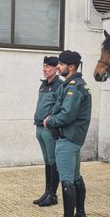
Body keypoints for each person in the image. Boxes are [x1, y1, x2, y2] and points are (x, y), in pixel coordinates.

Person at [43, 50, 91, 217]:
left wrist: (49, 121)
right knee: (75, 177)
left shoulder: (73, 87)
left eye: (61, 64)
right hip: (74, 138)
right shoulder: (75, 84)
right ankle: (80, 216)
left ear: (71, 67)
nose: (58, 67)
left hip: (67, 138)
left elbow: (67, 114)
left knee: (67, 180)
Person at [33, 56, 62, 207]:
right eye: (44, 66)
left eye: (49, 67)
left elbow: (58, 108)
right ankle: (47, 192)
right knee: (47, 161)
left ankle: (52, 195)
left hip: (49, 129)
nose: (45, 69)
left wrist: (50, 120)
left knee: (53, 161)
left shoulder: (59, 85)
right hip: (39, 127)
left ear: (57, 68)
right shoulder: (43, 85)